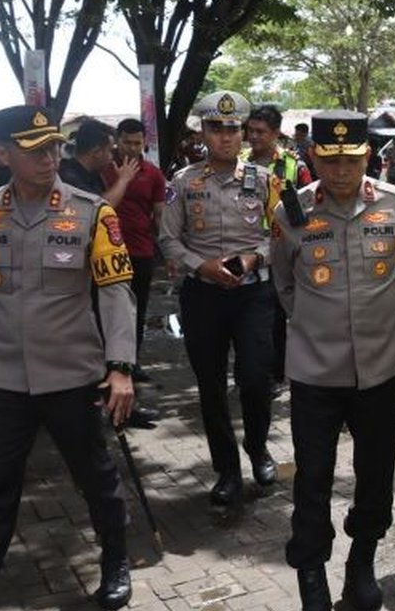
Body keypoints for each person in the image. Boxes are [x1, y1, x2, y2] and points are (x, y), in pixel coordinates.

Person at [0, 105, 137, 611]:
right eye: (34, 150)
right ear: (0, 153)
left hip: (72, 373)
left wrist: (120, 367)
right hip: (1, 375)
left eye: (54, 146)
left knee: (95, 477)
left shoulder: (92, 210)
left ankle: (116, 559)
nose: (49, 158)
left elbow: (116, 292)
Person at [272, 110, 395, 611]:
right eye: (330, 159)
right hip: (315, 371)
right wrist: (323, 325)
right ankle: (311, 574)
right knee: (313, 477)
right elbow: (285, 286)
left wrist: (378, 327)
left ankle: (362, 561)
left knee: (377, 472)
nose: (341, 170)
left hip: (378, 371)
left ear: (367, 158)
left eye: (352, 159)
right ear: (314, 156)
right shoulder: (289, 212)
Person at [158, 90, 280, 505]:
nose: (225, 138)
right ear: (203, 131)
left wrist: (252, 257)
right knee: (210, 385)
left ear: (243, 133)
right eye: (216, 129)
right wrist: (200, 265)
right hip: (203, 296)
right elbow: (168, 239)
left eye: (233, 129)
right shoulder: (183, 182)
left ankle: (258, 448)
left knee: (255, 377)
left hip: (253, 295)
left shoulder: (265, 180)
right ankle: (226, 469)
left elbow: (280, 238)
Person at [58, 120, 159, 430]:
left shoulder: (94, 174)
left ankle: (118, 402)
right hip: (88, 273)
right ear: (99, 149)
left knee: (126, 321)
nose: (119, 151)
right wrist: (125, 179)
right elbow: (102, 210)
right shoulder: (71, 176)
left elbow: (159, 209)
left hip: (133, 257)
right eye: (115, 146)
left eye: (133, 142)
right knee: (101, 335)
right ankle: (111, 407)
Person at [241, 104, 313, 388]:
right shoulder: (240, 163)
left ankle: (279, 371)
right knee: (256, 317)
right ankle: (260, 370)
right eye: (250, 131)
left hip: (286, 252)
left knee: (284, 313)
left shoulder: (294, 166)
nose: (253, 137)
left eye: (260, 132)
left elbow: (313, 206)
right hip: (249, 252)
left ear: (275, 133)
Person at [105, 119, 167, 380]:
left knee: (137, 309)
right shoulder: (104, 169)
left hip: (141, 251)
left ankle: (133, 361)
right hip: (107, 252)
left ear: (144, 142)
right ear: (117, 141)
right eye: (127, 142)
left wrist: (165, 248)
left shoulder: (153, 173)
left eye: (137, 143)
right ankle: (110, 364)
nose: (132, 148)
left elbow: (160, 213)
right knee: (110, 310)